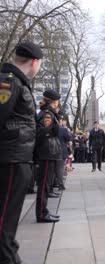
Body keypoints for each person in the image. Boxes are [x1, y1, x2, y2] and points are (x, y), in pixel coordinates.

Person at [0, 41, 43, 264]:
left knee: (9, 218)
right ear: (34, 62)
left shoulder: (17, 82)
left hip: (17, 158)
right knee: (5, 219)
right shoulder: (9, 82)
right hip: (10, 160)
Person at [35, 89, 62, 223]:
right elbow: (42, 132)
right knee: (44, 184)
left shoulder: (49, 113)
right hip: (46, 152)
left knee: (46, 184)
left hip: (48, 152)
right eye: (58, 101)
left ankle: (44, 211)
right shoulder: (47, 114)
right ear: (54, 101)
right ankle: (41, 213)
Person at [57, 114, 72, 191]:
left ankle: (52, 185)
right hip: (61, 151)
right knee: (60, 168)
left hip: (51, 151)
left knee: (52, 169)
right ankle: (60, 185)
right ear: (60, 121)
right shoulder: (63, 129)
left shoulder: (50, 128)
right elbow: (68, 139)